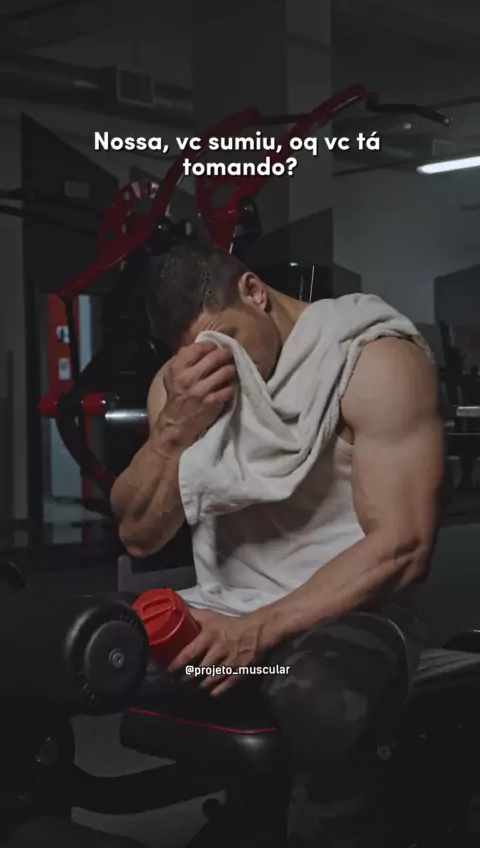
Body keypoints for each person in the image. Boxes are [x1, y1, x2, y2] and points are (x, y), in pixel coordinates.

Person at [111, 241, 445, 848]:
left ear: (254, 293)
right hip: (228, 608)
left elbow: (403, 547)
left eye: (226, 341)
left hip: (351, 611)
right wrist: (171, 434)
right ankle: (250, 810)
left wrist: (256, 634)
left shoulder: (371, 360)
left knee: (312, 693)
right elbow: (138, 535)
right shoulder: (183, 388)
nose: (219, 364)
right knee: (83, 650)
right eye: (196, 354)